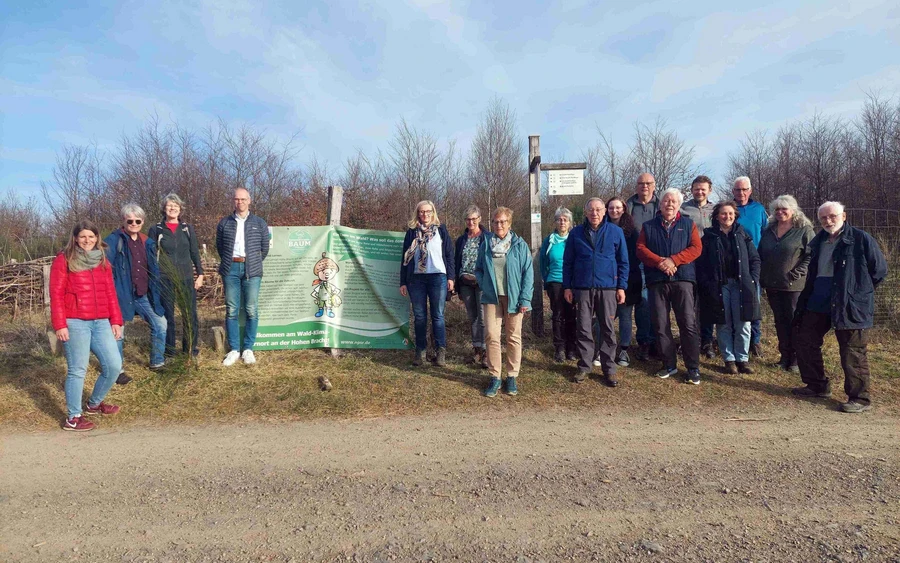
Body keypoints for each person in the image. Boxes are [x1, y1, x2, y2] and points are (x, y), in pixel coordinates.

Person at [791, 202, 887, 413]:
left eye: (832, 216)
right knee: (805, 340)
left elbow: (879, 270)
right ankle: (817, 385)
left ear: (844, 216)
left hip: (848, 304)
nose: (828, 221)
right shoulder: (818, 242)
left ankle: (859, 398)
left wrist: (857, 292)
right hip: (817, 301)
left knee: (852, 350)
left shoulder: (861, 239)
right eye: (823, 218)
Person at [50, 220, 124, 432]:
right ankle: (73, 417)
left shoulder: (102, 260)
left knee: (113, 365)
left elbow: (110, 292)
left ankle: (93, 404)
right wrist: (60, 324)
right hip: (75, 322)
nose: (87, 240)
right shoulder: (63, 260)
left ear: (97, 238)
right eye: (83, 236)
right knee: (77, 370)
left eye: (91, 237)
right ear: (75, 238)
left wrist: (116, 320)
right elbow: (55, 294)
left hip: (101, 321)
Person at [636, 188, 703, 384]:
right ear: (661, 204)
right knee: (660, 324)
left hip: (682, 280)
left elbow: (696, 248)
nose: (670, 204)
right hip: (657, 280)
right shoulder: (648, 226)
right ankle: (669, 365)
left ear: (679, 205)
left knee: (688, 323)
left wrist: (674, 260)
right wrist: (660, 262)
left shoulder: (688, 224)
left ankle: (693, 368)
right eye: (666, 201)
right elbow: (640, 249)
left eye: (673, 201)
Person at [562, 197, 628, 387]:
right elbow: (568, 262)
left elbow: (623, 262)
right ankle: (584, 366)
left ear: (604, 211)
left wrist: (621, 287)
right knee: (583, 328)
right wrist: (568, 286)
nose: (595, 213)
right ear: (585, 212)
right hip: (582, 288)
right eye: (591, 210)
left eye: (598, 210)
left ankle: (609, 369)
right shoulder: (576, 233)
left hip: (607, 288)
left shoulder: (615, 232)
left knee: (607, 329)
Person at [104, 204, 167, 383]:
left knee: (160, 324)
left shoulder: (147, 242)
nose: (133, 223)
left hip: (142, 295)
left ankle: (157, 362)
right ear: (123, 221)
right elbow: (105, 268)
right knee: (118, 332)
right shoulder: (114, 241)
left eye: (137, 221)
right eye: (129, 220)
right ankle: (117, 370)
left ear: (142, 222)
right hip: (122, 295)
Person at [697, 201, 761, 374]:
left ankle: (742, 359)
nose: (727, 217)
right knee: (723, 323)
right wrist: (707, 283)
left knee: (743, 323)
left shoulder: (743, 234)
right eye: (724, 214)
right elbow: (701, 264)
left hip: (742, 285)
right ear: (717, 216)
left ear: (735, 215)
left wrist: (753, 280)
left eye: (731, 214)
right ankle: (729, 359)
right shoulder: (709, 237)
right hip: (720, 285)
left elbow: (755, 259)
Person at [475, 207, 533, 397]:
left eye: (502, 221)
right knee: (491, 336)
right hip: (492, 298)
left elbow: (527, 274)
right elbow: (479, 269)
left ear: (509, 223)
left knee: (513, 337)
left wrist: (525, 298)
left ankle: (511, 376)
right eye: (495, 221)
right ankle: (495, 376)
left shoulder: (519, 244)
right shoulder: (485, 243)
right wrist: (484, 284)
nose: (498, 225)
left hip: (514, 298)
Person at [758, 195, 815, 372]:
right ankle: (784, 356)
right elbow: (761, 254)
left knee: (794, 321)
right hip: (772, 284)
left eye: (784, 209)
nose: (780, 212)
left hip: (793, 286)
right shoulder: (769, 230)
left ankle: (797, 360)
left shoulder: (803, 230)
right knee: (780, 322)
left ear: (793, 210)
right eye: (777, 209)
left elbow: (812, 255)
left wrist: (796, 273)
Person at [216, 187, 269, 366]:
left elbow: (265, 248)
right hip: (230, 268)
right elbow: (220, 247)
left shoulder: (259, 223)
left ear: (250, 200)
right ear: (234, 201)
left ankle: (248, 349)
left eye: (243, 199)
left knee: (251, 309)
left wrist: (252, 261)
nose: (240, 202)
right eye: (237, 199)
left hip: (252, 270)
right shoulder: (224, 223)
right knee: (231, 309)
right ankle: (234, 350)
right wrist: (231, 262)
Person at [148, 194, 205, 358]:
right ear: (164, 208)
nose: (172, 208)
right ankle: (170, 351)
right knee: (168, 315)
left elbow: (194, 252)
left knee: (190, 314)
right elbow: (151, 255)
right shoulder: (156, 229)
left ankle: (190, 349)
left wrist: (200, 274)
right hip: (165, 279)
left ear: (180, 209)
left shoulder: (187, 229)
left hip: (186, 277)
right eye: (169, 205)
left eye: (176, 206)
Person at [400, 200, 455, 367]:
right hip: (416, 279)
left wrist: (451, 277)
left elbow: (449, 255)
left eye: (428, 211)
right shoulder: (411, 233)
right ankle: (420, 352)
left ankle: (440, 352)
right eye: (422, 212)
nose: (425, 214)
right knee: (419, 317)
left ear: (433, 212)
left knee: (438, 316)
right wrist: (403, 281)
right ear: (417, 213)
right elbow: (404, 258)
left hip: (438, 277)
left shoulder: (441, 231)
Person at [602, 197, 642, 368]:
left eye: (618, 207)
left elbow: (633, 257)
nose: (614, 211)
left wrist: (622, 279)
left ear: (624, 209)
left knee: (625, 315)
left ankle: (624, 349)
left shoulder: (633, 231)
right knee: (605, 316)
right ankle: (602, 348)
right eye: (611, 208)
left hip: (627, 278)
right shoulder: (601, 228)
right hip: (605, 279)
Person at [732, 176, 768, 358]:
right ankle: (733, 339)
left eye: (744, 189)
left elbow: (766, 234)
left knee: (754, 301)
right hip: (732, 264)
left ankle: (755, 340)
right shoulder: (729, 210)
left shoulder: (759, 209)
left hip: (752, 263)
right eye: (738, 190)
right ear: (733, 192)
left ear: (750, 190)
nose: (741, 193)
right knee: (732, 303)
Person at [682, 175, 717, 358]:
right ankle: (690, 339)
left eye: (703, 189)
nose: (700, 192)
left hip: (710, 263)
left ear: (709, 190)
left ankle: (707, 341)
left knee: (707, 302)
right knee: (689, 303)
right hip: (690, 261)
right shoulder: (684, 209)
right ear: (692, 190)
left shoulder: (716, 210)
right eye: (696, 188)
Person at [625, 173, 659, 361]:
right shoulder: (628, 206)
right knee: (643, 303)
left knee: (658, 303)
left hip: (658, 261)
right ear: (636, 186)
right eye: (641, 183)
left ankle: (657, 342)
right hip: (636, 262)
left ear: (654, 186)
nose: (644, 186)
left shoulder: (661, 205)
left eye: (648, 183)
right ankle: (644, 342)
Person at [540, 207, 576, 363]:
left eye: (565, 219)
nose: (562, 222)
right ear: (555, 222)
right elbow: (542, 262)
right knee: (557, 316)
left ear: (569, 223)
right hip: (554, 282)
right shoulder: (549, 240)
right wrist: (546, 280)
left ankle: (572, 348)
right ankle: (559, 348)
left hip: (572, 283)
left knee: (571, 316)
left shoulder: (574, 239)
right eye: (559, 219)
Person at [454, 205, 488, 368]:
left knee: (483, 317)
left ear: (479, 219)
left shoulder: (487, 237)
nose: (471, 222)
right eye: (468, 219)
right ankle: (477, 349)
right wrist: (456, 285)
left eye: (474, 218)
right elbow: (456, 261)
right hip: (465, 282)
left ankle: (487, 351)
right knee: (473, 317)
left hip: (481, 282)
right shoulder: (461, 240)